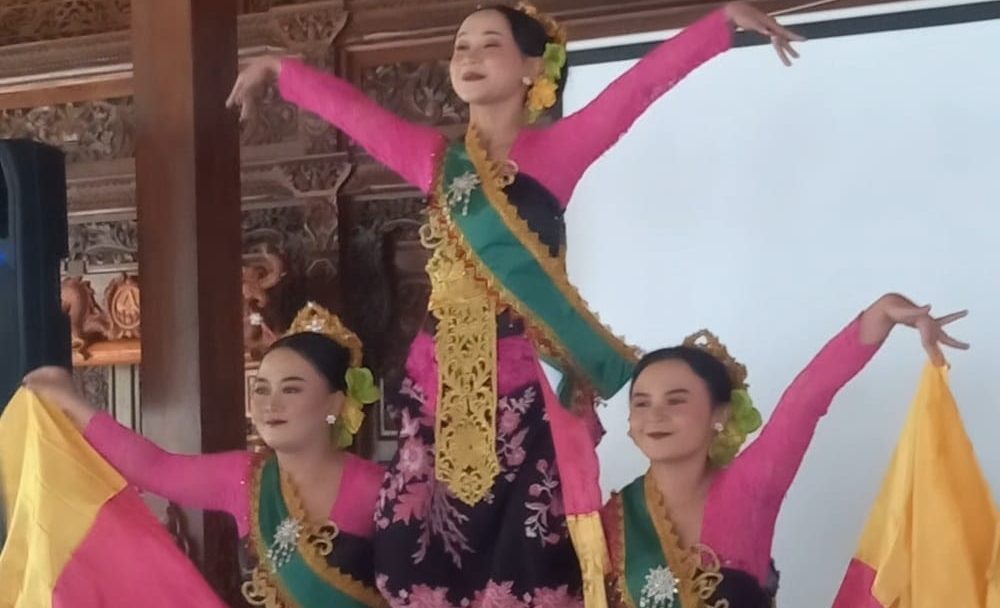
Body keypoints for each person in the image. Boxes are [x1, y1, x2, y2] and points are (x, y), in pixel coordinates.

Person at [227, 3, 803, 606]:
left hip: (529, 388)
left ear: (533, 68)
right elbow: (360, 118)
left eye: (489, 45)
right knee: (408, 559)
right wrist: (285, 72)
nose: (470, 57)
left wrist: (719, 24)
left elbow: (635, 90)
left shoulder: (560, 149)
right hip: (439, 385)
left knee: (528, 563)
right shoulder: (435, 160)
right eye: (461, 47)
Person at [603, 293, 968, 607]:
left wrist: (883, 313)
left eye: (676, 400)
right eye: (641, 403)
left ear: (720, 414)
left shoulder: (750, 487)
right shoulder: (612, 518)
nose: (655, 416)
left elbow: (806, 400)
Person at [23, 302, 387, 608]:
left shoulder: (379, 488)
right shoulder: (245, 478)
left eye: (291, 390)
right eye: (261, 389)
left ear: (335, 404)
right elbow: (156, 468)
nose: (270, 404)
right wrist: (69, 401)